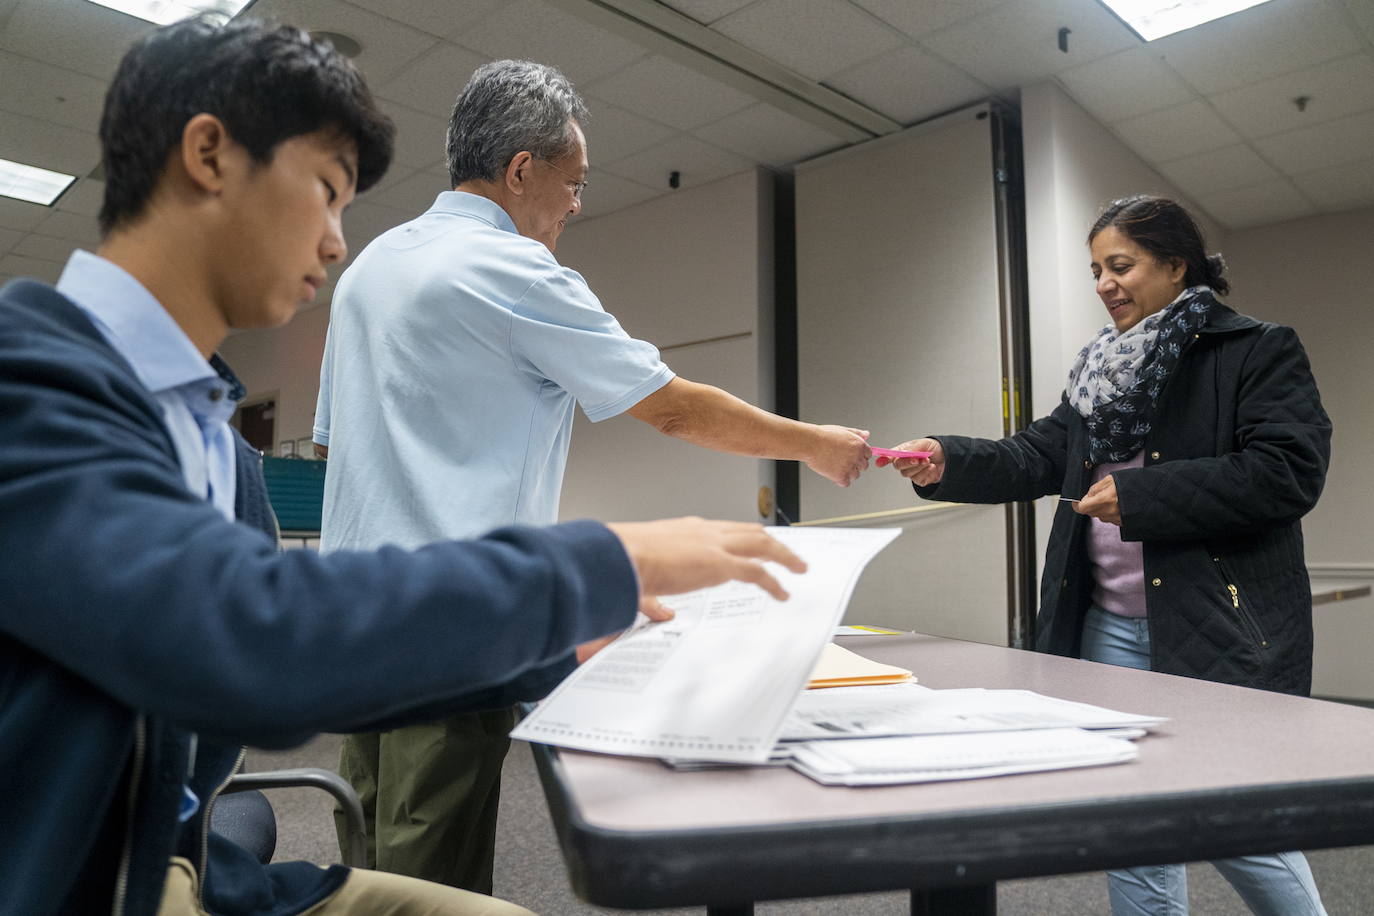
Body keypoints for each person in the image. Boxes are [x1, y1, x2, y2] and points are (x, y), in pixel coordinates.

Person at [0, 17, 810, 916]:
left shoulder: (216, 439)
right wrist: (594, 566)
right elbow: (247, 646)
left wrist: (549, 644)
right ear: (209, 155)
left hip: (172, 854)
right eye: (326, 191)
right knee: (435, 858)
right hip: (70, 881)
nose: (338, 241)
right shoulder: (27, 382)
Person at [311, 59, 871, 892]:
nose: (577, 203)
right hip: (457, 611)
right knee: (433, 858)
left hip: (352, 604)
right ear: (520, 171)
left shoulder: (372, 267)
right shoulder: (513, 270)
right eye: (572, 183)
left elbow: (329, 442)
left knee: (365, 830)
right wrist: (814, 444)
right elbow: (672, 407)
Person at [880, 195, 1330, 915]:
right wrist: (946, 460)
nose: (1103, 284)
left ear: (1177, 265)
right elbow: (1036, 455)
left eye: (1120, 265)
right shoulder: (1100, 370)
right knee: (1131, 813)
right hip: (1108, 628)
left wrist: (1144, 495)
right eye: (1095, 270)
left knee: (1232, 814)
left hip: (1213, 624)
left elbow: (1287, 472)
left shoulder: (1256, 349)